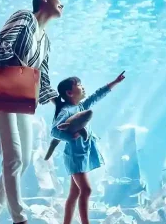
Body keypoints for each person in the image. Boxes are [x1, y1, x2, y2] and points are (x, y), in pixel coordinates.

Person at [0, 0, 64, 224]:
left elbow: (42, 78)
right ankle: (20, 219)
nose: (62, 4)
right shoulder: (25, 18)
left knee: (24, 160)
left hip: (23, 97)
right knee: (13, 158)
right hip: (4, 91)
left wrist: (59, 103)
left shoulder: (46, 40)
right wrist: (21, 70)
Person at [51, 72, 126, 224]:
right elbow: (54, 130)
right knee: (86, 190)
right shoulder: (66, 111)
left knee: (75, 192)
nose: (83, 87)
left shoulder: (81, 106)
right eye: (79, 85)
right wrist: (70, 137)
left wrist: (115, 82)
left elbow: (97, 95)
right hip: (75, 156)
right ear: (69, 93)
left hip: (82, 153)